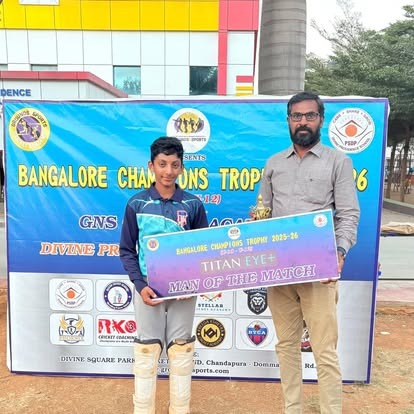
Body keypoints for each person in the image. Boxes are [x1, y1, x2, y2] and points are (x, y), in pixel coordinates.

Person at [257, 91, 360, 413]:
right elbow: (263, 214)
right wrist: (256, 232)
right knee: (286, 346)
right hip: (279, 271)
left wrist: (339, 252)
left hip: (320, 271)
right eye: (296, 116)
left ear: (321, 120)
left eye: (310, 115)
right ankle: (293, 408)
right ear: (288, 120)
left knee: (324, 350)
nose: (303, 122)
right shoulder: (274, 164)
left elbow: (348, 214)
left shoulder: (338, 162)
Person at [119, 136, 208, 414]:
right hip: (149, 290)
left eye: (174, 165)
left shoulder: (193, 204)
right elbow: (127, 250)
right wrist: (139, 284)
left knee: (181, 352)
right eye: (162, 164)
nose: (168, 171)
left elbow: (203, 250)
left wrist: (195, 282)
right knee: (146, 352)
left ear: (182, 168)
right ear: (151, 166)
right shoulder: (136, 204)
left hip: (184, 291)